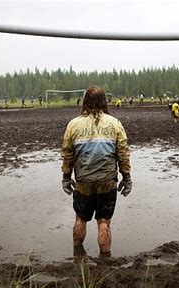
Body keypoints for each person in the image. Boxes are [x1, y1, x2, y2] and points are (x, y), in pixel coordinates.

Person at [61, 86, 131, 258]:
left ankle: (77, 256)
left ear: (85, 101)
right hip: (107, 180)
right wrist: (126, 178)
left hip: (83, 180)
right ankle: (105, 260)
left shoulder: (73, 124)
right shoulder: (114, 123)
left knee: (80, 218)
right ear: (104, 101)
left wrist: (66, 177)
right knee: (104, 221)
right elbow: (123, 153)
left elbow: (67, 153)